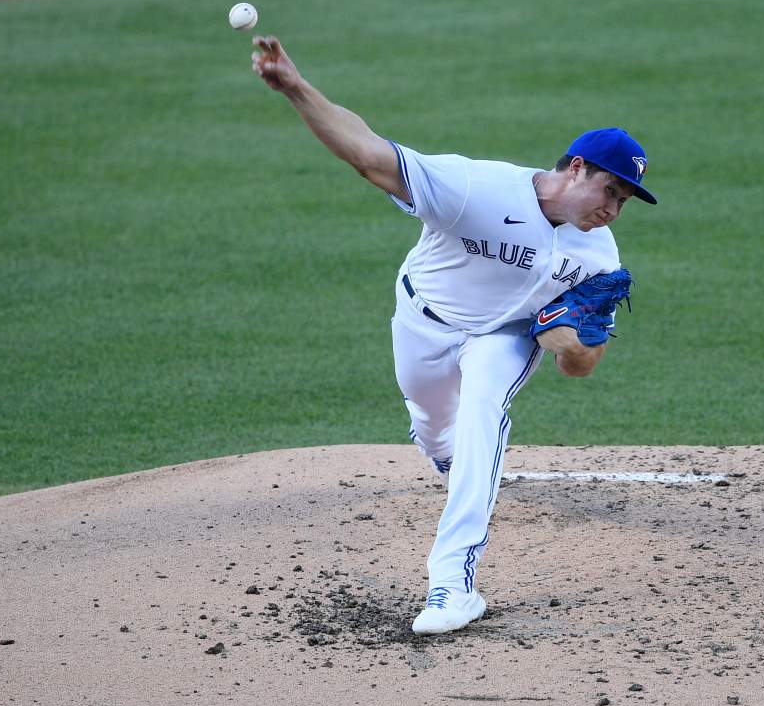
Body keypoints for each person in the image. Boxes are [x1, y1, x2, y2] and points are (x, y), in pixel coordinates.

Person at [251, 36, 656, 635]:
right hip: (422, 321)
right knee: (432, 425)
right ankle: (447, 457)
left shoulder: (599, 256)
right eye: (610, 191)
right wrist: (296, 89)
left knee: (482, 414)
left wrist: (569, 345)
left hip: (504, 338)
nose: (613, 210)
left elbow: (584, 363)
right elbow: (369, 155)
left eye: (624, 201)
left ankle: (452, 586)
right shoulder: (477, 188)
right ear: (575, 168)